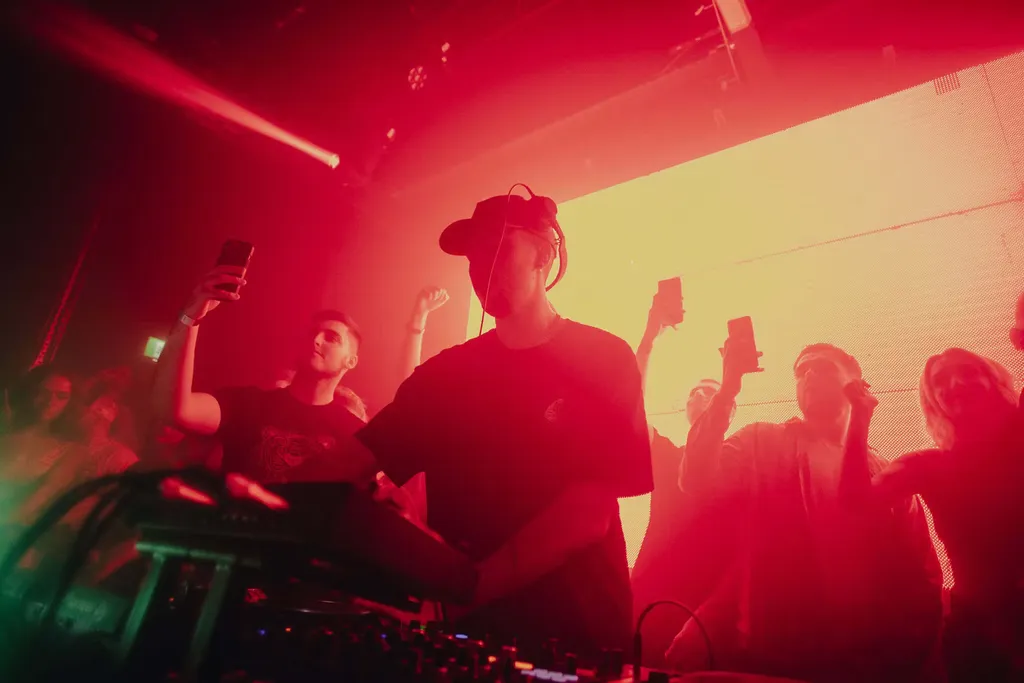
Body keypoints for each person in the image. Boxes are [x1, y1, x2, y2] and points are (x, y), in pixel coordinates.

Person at [343, 192, 653, 660]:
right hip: (469, 631)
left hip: (574, 634)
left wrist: (462, 594)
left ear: (545, 257)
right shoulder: (445, 375)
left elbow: (588, 514)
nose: (480, 268)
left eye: (499, 250)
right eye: (474, 256)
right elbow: (351, 461)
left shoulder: (603, 358)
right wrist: (253, 501)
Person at [670, 341, 942, 682]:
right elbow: (694, 479)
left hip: (862, 662)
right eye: (801, 371)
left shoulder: (884, 474)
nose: (809, 374)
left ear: (857, 382)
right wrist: (727, 391)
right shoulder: (761, 441)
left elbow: (921, 576)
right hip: (767, 650)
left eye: (823, 367)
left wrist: (903, 660)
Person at [841, 348, 1024, 682]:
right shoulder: (927, 467)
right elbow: (854, 503)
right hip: (981, 635)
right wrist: (860, 416)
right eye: (940, 380)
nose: (955, 383)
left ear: (995, 381)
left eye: (969, 371)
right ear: (932, 401)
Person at [152, 265, 365, 484]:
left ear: (351, 361)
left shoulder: (356, 436)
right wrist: (190, 317)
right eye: (311, 333)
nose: (316, 340)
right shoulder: (247, 404)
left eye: (332, 338)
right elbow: (176, 410)